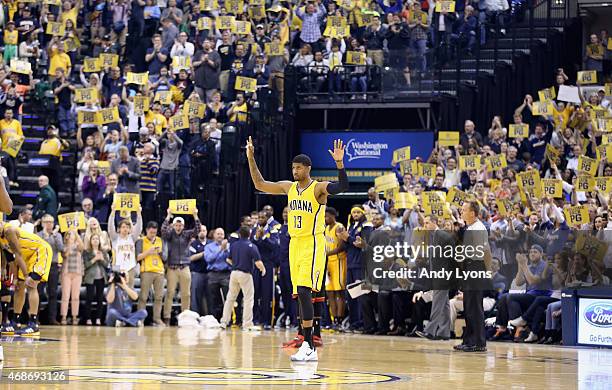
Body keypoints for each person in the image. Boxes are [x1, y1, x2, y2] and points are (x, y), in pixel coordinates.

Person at [246, 137, 348, 361]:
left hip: (312, 242)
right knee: (299, 295)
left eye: (298, 167)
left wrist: (339, 164)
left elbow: (342, 187)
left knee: (304, 291)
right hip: (295, 243)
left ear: (307, 169)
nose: (295, 170)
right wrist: (251, 158)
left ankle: (309, 345)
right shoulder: (289, 187)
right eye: (293, 167)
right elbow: (260, 184)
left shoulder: (318, 188)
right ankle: (306, 341)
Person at [1, 222, 53, 335]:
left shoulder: (8, 231)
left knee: (31, 285)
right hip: (27, 256)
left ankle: (34, 324)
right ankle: (15, 322)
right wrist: (15, 278)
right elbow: (11, 260)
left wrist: (26, 276)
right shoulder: (1, 239)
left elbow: (18, 254)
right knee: (19, 287)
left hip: (40, 251)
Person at [454, 200, 492, 352]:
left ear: (472, 213)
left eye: (464, 210)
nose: (461, 212)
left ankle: (478, 342)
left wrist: (486, 272)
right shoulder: (470, 228)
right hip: (470, 267)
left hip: (476, 268)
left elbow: (485, 251)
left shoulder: (478, 228)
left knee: (475, 307)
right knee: (468, 306)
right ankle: (469, 341)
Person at [220, 226, 266, 330]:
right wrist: (263, 270)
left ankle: (224, 322)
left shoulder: (234, 245)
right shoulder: (252, 246)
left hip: (234, 273)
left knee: (230, 299)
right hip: (245, 274)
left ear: (239, 234)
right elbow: (258, 262)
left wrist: (235, 264)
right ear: (249, 234)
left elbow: (228, 259)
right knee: (248, 299)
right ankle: (247, 324)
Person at [161, 208, 201, 325]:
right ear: (173, 225)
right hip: (172, 268)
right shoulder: (169, 235)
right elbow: (163, 230)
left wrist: (195, 216)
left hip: (184, 267)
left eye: (180, 225)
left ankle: (185, 317)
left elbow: (197, 230)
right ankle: (167, 317)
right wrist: (168, 216)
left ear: (183, 226)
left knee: (186, 294)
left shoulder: (187, 234)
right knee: (170, 293)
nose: (178, 227)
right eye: (176, 225)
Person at [250, 210, 280, 329]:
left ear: (267, 218)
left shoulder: (272, 230)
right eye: (259, 217)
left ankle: (267, 321)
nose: (260, 219)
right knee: (255, 293)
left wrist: (263, 238)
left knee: (267, 294)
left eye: (263, 217)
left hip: (268, 265)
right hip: (255, 265)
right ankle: (255, 319)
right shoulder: (253, 230)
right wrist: (257, 238)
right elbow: (250, 245)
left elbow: (274, 246)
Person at [136, 221, 166, 326]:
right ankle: (140, 319)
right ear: (147, 230)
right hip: (146, 271)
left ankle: (157, 318)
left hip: (159, 271)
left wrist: (161, 253)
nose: (153, 234)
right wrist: (149, 251)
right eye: (151, 232)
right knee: (143, 296)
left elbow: (165, 258)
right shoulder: (141, 241)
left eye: (155, 232)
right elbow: (138, 257)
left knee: (159, 297)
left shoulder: (160, 240)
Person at [37, 214, 63, 325]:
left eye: (51, 222)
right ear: (42, 223)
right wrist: (46, 236)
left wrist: (54, 236)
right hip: (41, 265)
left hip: (53, 265)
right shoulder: (38, 235)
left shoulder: (57, 235)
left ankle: (52, 318)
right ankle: (35, 316)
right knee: (38, 291)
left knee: (53, 293)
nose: (49, 224)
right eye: (47, 222)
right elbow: (40, 246)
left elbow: (60, 248)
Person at [107, 206, 143, 287]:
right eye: (123, 227)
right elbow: (110, 227)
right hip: (117, 267)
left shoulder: (132, 238)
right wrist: (113, 212)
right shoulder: (115, 238)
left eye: (127, 227)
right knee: (117, 290)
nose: (125, 229)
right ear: (119, 229)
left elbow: (139, 228)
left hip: (130, 267)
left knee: (130, 290)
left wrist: (139, 213)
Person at [82, 233, 110, 326]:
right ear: (90, 241)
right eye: (93, 239)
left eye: (97, 239)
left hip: (101, 277)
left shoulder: (103, 252)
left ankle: (98, 318)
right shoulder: (87, 252)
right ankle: (88, 318)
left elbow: (106, 265)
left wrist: (101, 259)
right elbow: (86, 265)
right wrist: (95, 259)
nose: (95, 240)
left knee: (100, 299)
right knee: (89, 298)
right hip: (90, 278)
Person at [205, 227, 231, 320]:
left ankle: (228, 319)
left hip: (226, 274)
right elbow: (209, 259)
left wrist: (226, 250)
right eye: (218, 234)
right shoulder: (208, 247)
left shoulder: (229, 246)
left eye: (222, 234)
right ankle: (214, 319)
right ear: (214, 235)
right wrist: (220, 249)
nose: (220, 236)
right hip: (213, 274)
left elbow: (231, 259)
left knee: (228, 298)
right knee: (213, 299)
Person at [60, 230, 85, 325]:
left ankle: (75, 316)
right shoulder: (64, 246)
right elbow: (64, 255)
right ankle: (64, 317)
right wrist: (69, 247)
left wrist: (76, 233)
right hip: (66, 273)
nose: (71, 236)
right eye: (69, 234)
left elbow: (82, 248)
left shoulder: (78, 244)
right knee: (65, 296)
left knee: (75, 296)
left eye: (72, 234)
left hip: (77, 272)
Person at [189, 225, 209, 316]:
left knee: (207, 296)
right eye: (200, 230)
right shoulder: (193, 244)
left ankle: (207, 315)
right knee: (195, 296)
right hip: (197, 273)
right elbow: (191, 258)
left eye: (204, 230)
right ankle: (195, 315)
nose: (202, 232)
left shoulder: (210, 243)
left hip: (209, 273)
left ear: (206, 232)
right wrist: (204, 253)